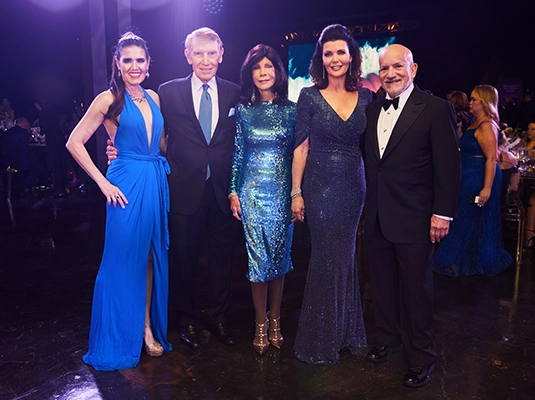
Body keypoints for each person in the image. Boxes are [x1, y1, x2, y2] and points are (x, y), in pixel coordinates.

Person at [66, 32, 171, 370]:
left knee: (151, 258)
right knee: (122, 258)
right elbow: (74, 142)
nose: (135, 66)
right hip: (125, 184)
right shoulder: (107, 99)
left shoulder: (154, 96)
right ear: (117, 63)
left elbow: (160, 146)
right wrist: (101, 182)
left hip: (155, 180)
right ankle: (118, 334)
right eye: (128, 60)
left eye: (140, 60)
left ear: (149, 62)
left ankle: (146, 329)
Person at [363, 44, 461, 388]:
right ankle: (388, 339)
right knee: (383, 286)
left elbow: (449, 168)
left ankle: (421, 355)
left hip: (416, 218)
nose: (390, 73)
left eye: (397, 67)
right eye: (384, 67)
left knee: (415, 290)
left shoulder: (436, 109)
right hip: (376, 215)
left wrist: (442, 214)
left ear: (413, 69)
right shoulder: (373, 109)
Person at [291, 24, 370, 365]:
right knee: (325, 256)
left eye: (341, 52)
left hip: (355, 185)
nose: (335, 58)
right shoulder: (309, 96)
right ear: (320, 59)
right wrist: (296, 192)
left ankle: (345, 333)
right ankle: (319, 338)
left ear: (351, 57)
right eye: (328, 53)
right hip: (320, 185)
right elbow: (300, 149)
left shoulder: (367, 96)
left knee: (346, 256)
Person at [158, 27, 240, 349]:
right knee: (183, 259)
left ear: (221, 54)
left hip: (223, 190)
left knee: (222, 259)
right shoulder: (167, 91)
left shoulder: (235, 93)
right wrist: (117, 147)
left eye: (211, 53)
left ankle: (218, 318)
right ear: (187, 56)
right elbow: (152, 131)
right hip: (183, 188)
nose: (205, 60)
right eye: (198, 53)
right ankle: (186, 319)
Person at [229, 44, 296, 355]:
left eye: (268, 67)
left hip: (283, 195)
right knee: (258, 262)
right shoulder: (243, 111)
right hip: (252, 194)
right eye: (257, 68)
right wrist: (233, 190)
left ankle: (276, 321)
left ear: (278, 71)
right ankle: (259, 324)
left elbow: (300, 156)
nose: (263, 72)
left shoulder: (292, 110)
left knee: (279, 261)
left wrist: (298, 193)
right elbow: (239, 155)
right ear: (250, 74)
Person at [433, 84, 512, 276]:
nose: (470, 102)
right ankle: (461, 260)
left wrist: (486, 188)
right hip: (469, 175)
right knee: (467, 217)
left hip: (478, 178)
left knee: (467, 216)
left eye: (475, 99)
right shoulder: (477, 123)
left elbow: (491, 158)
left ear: (484, 103)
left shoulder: (487, 125)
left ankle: (454, 260)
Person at [1, 117, 33, 196]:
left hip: (6, 161)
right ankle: (26, 185)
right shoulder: (24, 133)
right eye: (28, 126)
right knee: (41, 165)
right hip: (21, 163)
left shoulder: (7, 133)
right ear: (24, 124)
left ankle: (15, 185)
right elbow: (25, 149)